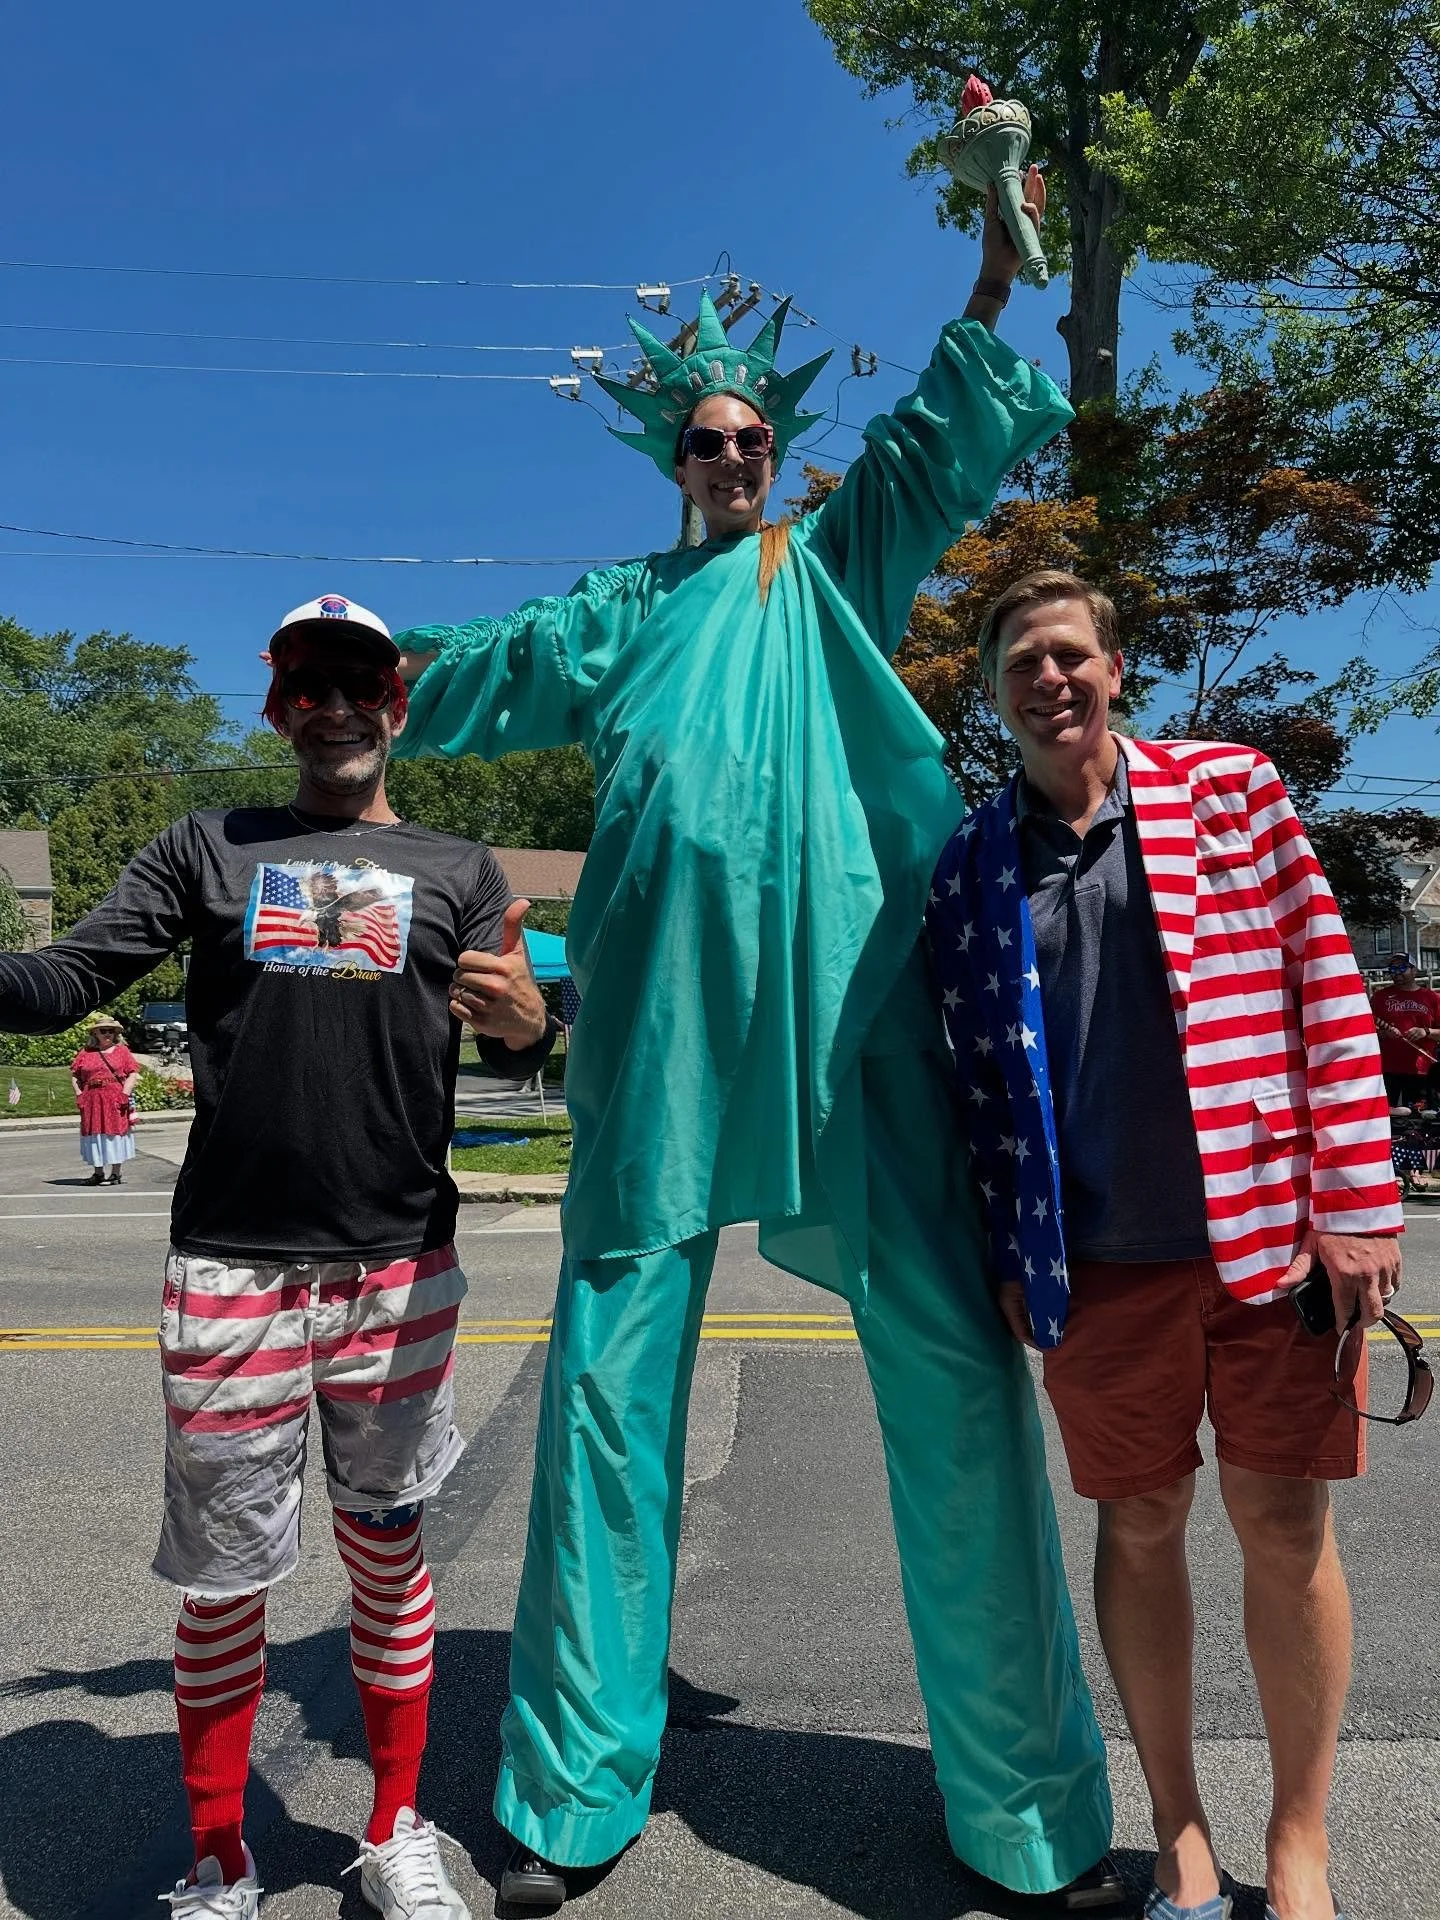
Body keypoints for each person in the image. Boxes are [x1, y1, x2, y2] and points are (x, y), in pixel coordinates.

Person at [395, 180, 1118, 1911]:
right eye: (707, 441)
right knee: (606, 1391)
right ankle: (568, 1795)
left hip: (858, 1016)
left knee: (953, 1374)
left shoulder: (832, 566)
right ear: (677, 463)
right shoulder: (617, 613)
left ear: (780, 458)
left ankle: (1025, 1814)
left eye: (753, 438)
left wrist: (991, 282)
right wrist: (351, 674)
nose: (732, 457)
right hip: (661, 1033)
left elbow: (935, 448)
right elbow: (472, 672)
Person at [0, 594, 555, 1920]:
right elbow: (67, 980)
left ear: (397, 703)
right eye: (308, 684)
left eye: (360, 682)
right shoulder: (208, 846)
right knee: (225, 1577)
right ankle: (220, 1858)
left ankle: (395, 1825)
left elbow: (518, 1043)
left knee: (387, 1552)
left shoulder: (461, 870)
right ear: (276, 707)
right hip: (233, 1268)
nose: (335, 706)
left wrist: (532, 1023)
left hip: (399, 1266)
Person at [927, 569, 1403, 1920]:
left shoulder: (1234, 793)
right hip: (1093, 1262)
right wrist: (1010, 1248)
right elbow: (978, 1077)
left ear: (1115, 669)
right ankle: (1178, 1826)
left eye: (1069, 653)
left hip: (1272, 1241)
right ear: (995, 692)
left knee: (1283, 1522)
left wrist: (1358, 1199)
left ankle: (1300, 1842)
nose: (1049, 678)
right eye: (1020, 661)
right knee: (1139, 1524)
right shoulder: (971, 860)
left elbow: (1326, 983)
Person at [70, 1014, 141, 1184]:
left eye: (111, 1031)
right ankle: (98, 1173)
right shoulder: (86, 1053)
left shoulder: (122, 1051)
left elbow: (132, 1074)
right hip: (91, 1099)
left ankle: (116, 1173)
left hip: (114, 1097)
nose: (107, 1034)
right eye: (103, 1031)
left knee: (115, 1132)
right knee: (94, 1133)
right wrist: (79, 1094)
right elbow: (75, 1075)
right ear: (96, 1033)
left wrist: (125, 1093)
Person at [1370, 954, 1440, 1109]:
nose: (1397, 973)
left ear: (1414, 970)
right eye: (1393, 969)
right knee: (1388, 1114)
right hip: (1387, 1070)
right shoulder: (1379, 998)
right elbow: (1366, 1031)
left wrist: (1426, 1032)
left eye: (1402, 968)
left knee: (1421, 1115)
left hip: (1421, 1071)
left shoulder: (1432, 998)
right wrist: (1384, 1034)